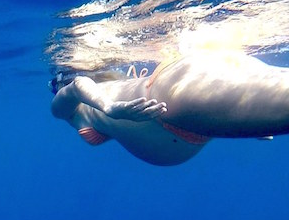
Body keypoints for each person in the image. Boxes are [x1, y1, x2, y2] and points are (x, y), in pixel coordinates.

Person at [50, 50, 289, 166]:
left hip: (176, 101)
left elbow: (78, 85)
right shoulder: (87, 104)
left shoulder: (70, 111)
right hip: (193, 111)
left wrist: (111, 108)